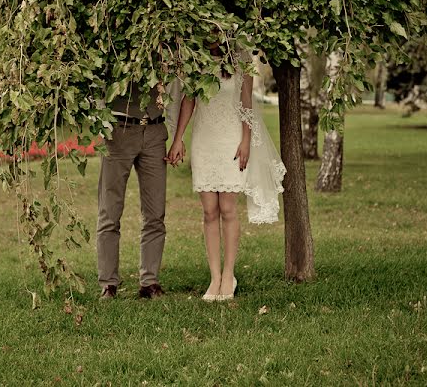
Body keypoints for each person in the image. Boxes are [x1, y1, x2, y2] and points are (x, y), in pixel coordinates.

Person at [166, 42, 285, 301]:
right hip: (204, 139)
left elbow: (246, 104)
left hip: (231, 139)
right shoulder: (194, 58)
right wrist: (178, 139)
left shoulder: (241, 61)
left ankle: (229, 275)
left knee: (228, 209)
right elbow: (189, 101)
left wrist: (245, 140)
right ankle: (215, 277)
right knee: (209, 211)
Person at [96, 82, 182, 300]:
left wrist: (169, 131)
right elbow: (96, 82)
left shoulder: (166, 50)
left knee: (155, 212)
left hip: (154, 132)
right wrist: (103, 123)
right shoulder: (116, 48)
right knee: (110, 211)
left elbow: (174, 88)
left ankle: (150, 282)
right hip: (119, 130)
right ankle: (108, 283)